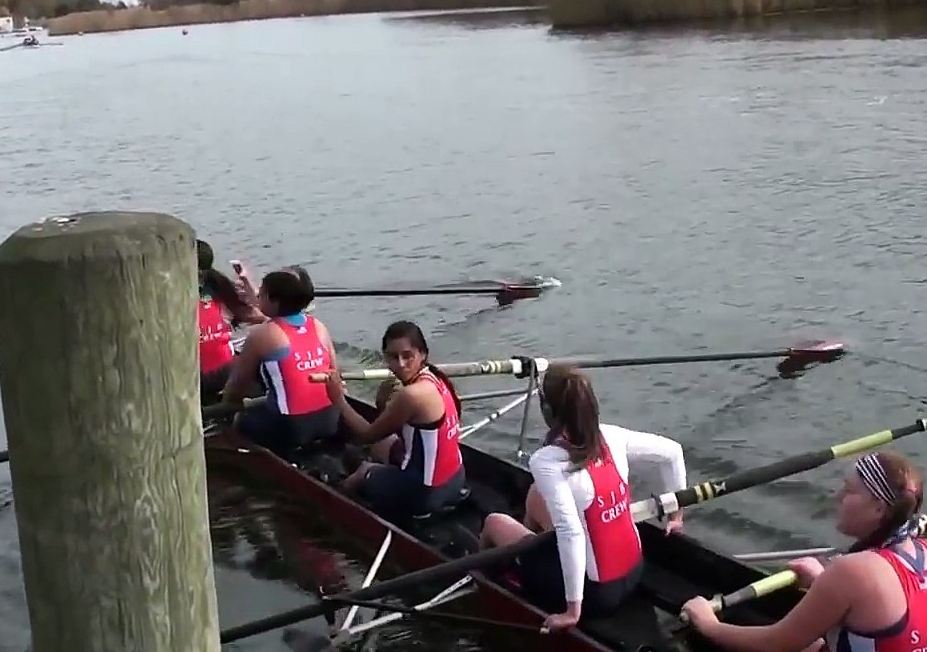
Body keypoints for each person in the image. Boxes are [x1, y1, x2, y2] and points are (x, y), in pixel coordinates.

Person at [478, 365, 687, 633]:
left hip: (596, 596)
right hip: (635, 571)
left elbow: (571, 533)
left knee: (494, 523)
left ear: (548, 412)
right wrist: (676, 515)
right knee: (535, 496)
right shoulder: (611, 436)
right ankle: (531, 555)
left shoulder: (547, 460)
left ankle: (485, 582)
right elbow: (673, 453)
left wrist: (571, 612)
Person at [680, 451, 927, 652]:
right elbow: (881, 614)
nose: (838, 497)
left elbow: (776, 643)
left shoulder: (853, 571)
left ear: (878, 508)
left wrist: (708, 624)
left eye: (849, 491)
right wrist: (821, 582)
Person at [323, 321, 466, 522]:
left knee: (363, 469)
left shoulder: (412, 395)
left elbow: (366, 435)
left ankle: (334, 504)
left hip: (425, 492)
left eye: (407, 356)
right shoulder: (437, 378)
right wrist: (383, 405)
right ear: (385, 357)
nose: (400, 364)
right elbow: (407, 429)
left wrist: (338, 398)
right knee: (383, 444)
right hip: (456, 477)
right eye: (393, 357)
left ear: (422, 354)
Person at [221, 268, 339, 459]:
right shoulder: (318, 326)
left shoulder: (262, 335)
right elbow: (335, 374)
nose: (258, 297)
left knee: (240, 421)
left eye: (262, 294)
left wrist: (226, 409)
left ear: (274, 301)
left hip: (291, 426)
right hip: (331, 419)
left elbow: (236, 386)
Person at [197, 240, 265, 404]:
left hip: (198, 377)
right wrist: (249, 288)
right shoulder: (221, 288)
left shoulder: (170, 296)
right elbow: (262, 317)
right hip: (228, 370)